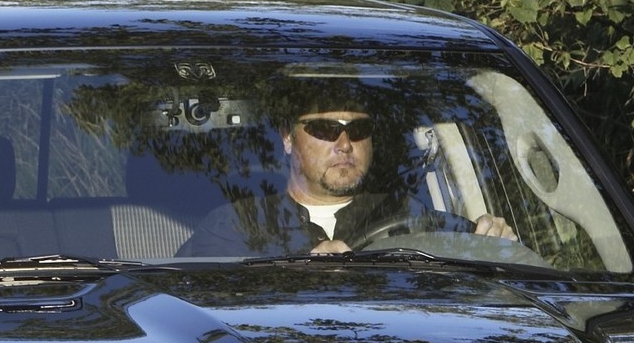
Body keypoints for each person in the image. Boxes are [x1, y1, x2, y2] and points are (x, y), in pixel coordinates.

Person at [178, 100, 514, 257]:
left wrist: (491, 239)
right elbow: (214, 305)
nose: (344, 144)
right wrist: (296, 273)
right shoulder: (236, 224)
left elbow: (464, 252)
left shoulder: (408, 214)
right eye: (324, 129)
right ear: (287, 138)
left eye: (357, 129)